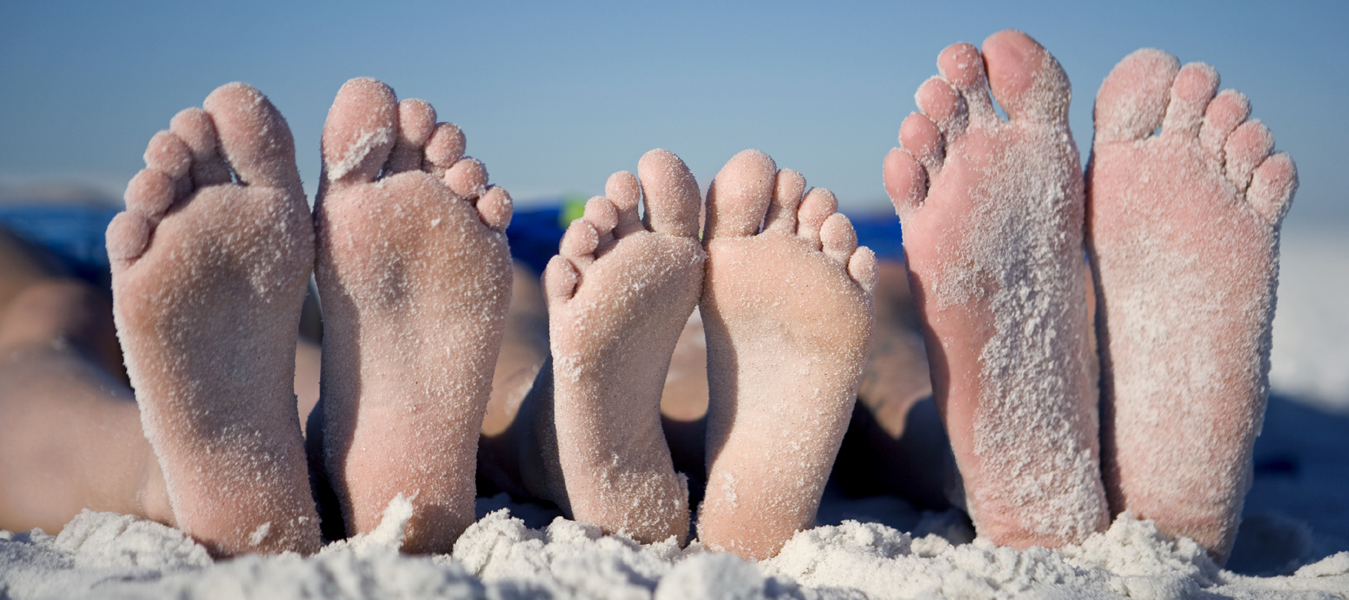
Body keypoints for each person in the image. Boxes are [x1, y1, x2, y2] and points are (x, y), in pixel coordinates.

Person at [0, 29, 1294, 565]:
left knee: (40, 337)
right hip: (523, 248)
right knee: (864, 303)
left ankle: (206, 473)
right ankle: (954, 442)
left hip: (65, 255)